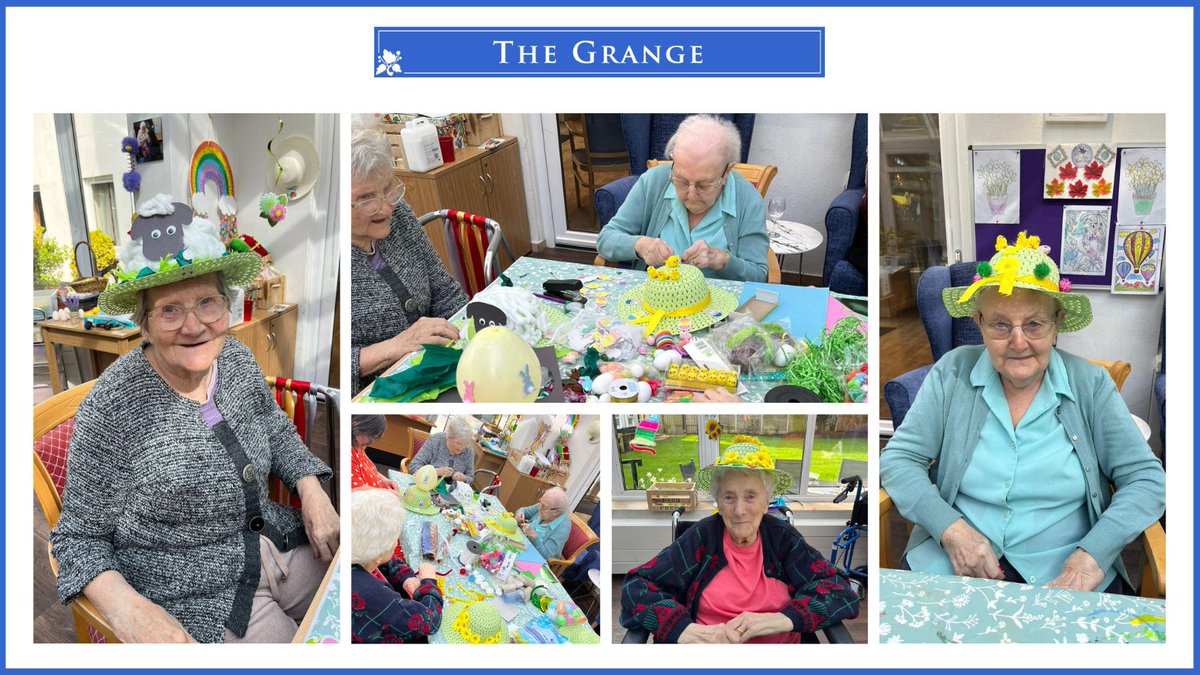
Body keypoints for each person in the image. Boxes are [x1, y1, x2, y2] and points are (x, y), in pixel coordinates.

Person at [49, 196, 339, 643]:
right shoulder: (112, 408)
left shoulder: (238, 360)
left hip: (276, 544)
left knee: (356, 600)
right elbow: (77, 539)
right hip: (199, 593)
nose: (193, 326)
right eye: (169, 310)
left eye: (207, 302)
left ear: (226, 305)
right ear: (143, 323)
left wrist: (311, 488)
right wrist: (128, 609)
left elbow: (275, 428)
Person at [881, 232, 1166, 593]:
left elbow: (1145, 480)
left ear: (1057, 323)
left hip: (1066, 569)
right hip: (953, 561)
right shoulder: (952, 372)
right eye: (1001, 324)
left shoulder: (1090, 384)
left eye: (1034, 324)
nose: (1018, 342)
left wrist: (1092, 555)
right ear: (979, 322)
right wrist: (951, 531)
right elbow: (899, 459)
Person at [621, 437, 859, 643]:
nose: (739, 510)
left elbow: (840, 591)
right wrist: (685, 629)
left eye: (751, 496)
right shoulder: (701, 538)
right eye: (729, 497)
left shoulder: (783, 539)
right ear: (718, 503)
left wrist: (784, 618)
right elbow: (637, 588)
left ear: (767, 502)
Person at [350, 126, 468, 395]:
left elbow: (445, 293)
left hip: (436, 368)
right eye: (367, 198)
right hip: (381, 391)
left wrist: (471, 331)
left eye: (389, 188)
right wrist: (394, 346)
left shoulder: (400, 215)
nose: (387, 206)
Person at [596, 114, 769, 282]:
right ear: (674, 162)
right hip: (652, 303)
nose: (691, 194)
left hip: (718, 305)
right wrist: (640, 245)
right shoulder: (654, 181)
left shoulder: (748, 200)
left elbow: (758, 275)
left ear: (726, 172)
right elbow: (606, 240)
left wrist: (722, 260)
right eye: (682, 180)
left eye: (703, 185)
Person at [350, 488, 442, 643]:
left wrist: (405, 578)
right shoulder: (373, 594)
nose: (395, 543)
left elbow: (386, 558)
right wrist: (429, 582)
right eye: (395, 539)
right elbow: (430, 621)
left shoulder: (360, 550)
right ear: (379, 554)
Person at [408, 416, 477, 484]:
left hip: (452, 491)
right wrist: (435, 472)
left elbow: (470, 477)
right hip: (428, 484)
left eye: (465, 443)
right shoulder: (436, 440)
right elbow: (414, 466)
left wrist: (464, 478)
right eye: (458, 443)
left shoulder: (468, 450)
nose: (462, 448)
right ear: (448, 437)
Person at [515, 486, 571, 560]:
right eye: (540, 502)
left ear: (556, 512)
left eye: (544, 506)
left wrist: (533, 536)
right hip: (521, 544)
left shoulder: (563, 528)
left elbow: (546, 556)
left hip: (534, 559)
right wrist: (520, 514)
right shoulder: (545, 505)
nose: (539, 508)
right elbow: (523, 510)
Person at [350, 414, 399, 492]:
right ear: (355, 425)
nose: (363, 448)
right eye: (364, 444)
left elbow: (370, 469)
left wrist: (384, 480)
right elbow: (356, 489)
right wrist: (388, 494)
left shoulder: (358, 448)